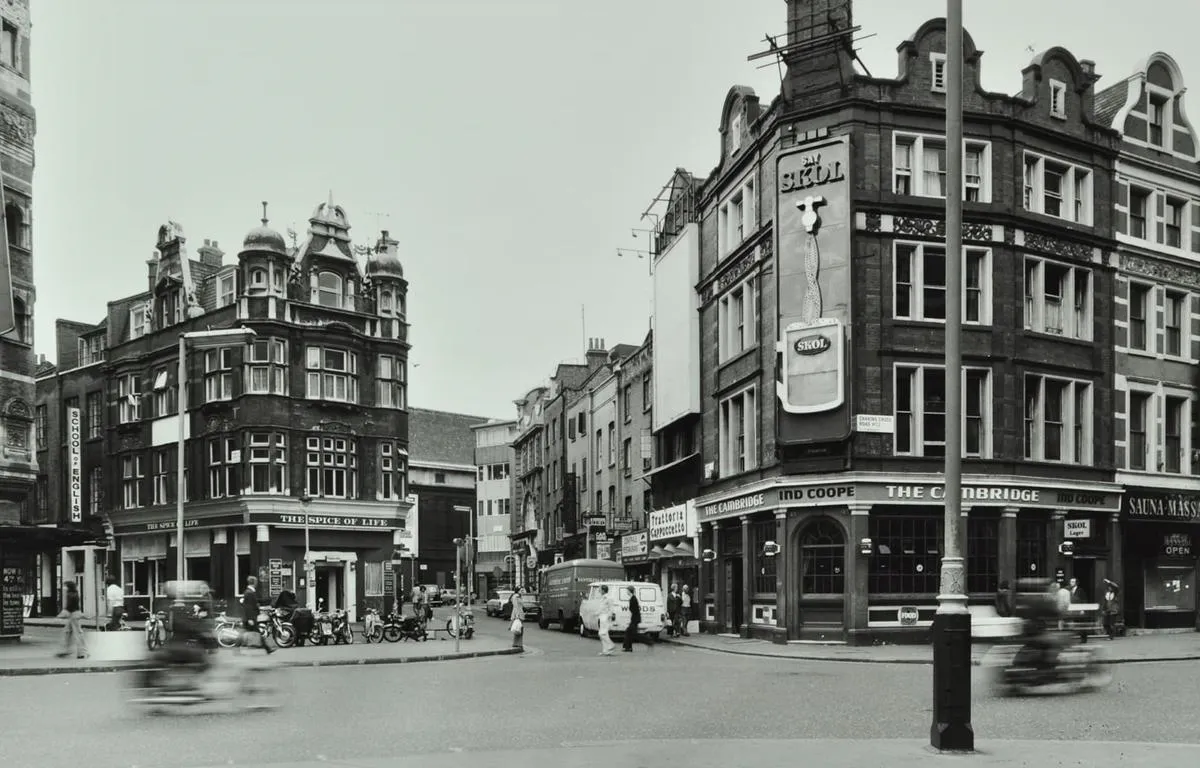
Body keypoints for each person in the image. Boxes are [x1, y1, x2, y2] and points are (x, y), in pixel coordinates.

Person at [240, 576, 274, 655]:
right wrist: (250, 619)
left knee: (249, 633)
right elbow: (248, 607)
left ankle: (267, 649)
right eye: (256, 582)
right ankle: (267, 649)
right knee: (255, 633)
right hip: (251, 618)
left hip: (251, 617)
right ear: (254, 583)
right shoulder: (249, 593)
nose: (257, 584)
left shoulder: (250, 592)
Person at [56, 581, 87, 659]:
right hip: (74, 614)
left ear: (69, 587)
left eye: (65, 586)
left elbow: (70, 606)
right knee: (68, 632)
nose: (64, 588)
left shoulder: (70, 594)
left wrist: (62, 614)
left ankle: (81, 652)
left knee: (76, 633)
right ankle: (66, 650)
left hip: (73, 615)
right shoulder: (75, 593)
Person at [597, 585, 617, 656]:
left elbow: (611, 609)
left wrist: (608, 617)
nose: (599, 591)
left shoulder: (609, 598)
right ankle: (606, 651)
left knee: (601, 633)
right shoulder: (602, 598)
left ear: (603, 590)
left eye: (600, 589)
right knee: (605, 634)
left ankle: (611, 645)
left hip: (605, 617)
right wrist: (597, 613)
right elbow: (601, 608)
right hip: (601, 616)